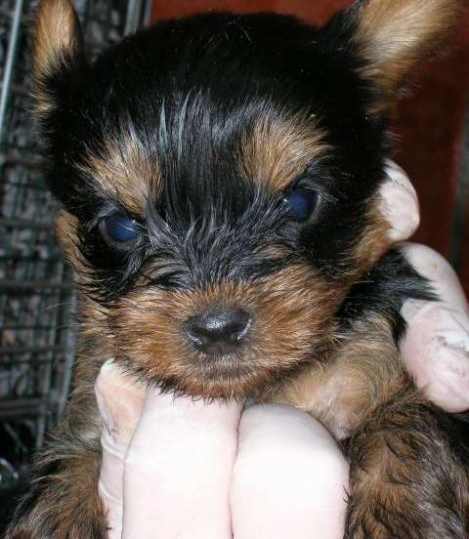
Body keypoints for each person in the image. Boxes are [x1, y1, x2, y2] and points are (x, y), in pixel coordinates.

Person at [96, 163, 469, 539]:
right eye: (123, 229)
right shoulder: (111, 358)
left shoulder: (384, 329)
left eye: (296, 205)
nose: (214, 316)